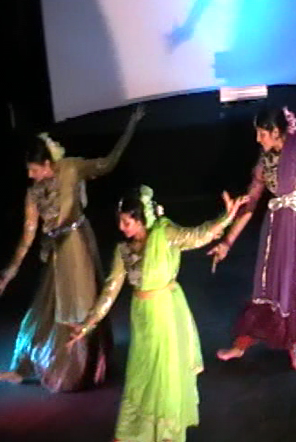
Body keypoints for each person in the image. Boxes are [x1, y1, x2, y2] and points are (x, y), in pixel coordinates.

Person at [67, 186, 248, 442]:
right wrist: (87, 325)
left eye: (127, 222)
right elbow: (110, 290)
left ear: (141, 219)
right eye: (120, 221)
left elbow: (198, 235)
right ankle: (134, 432)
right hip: (142, 316)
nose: (121, 227)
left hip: (165, 312)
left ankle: (166, 434)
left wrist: (226, 217)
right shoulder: (123, 250)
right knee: (141, 375)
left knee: (164, 375)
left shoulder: (165, 235)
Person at [0, 105, 145, 392]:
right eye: (29, 171)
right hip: (57, 249)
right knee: (48, 307)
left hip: (77, 243)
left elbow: (107, 164)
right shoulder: (33, 193)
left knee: (78, 304)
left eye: (35, 169)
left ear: (47, 164)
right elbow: (28, 235)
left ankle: (79, 371)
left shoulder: (71, 169)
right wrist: (11, 271)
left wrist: (130, 127)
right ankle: (23, 368)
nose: (32, 176)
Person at [209, 72, 296, 370]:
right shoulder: (263, 163)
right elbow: (249, 205)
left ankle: (294, 347)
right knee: (266, 288)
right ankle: (242, 344)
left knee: (294, 287)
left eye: (261, 133)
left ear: (276, 131)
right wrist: (226, 243)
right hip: (275, 231)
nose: (257, 139)